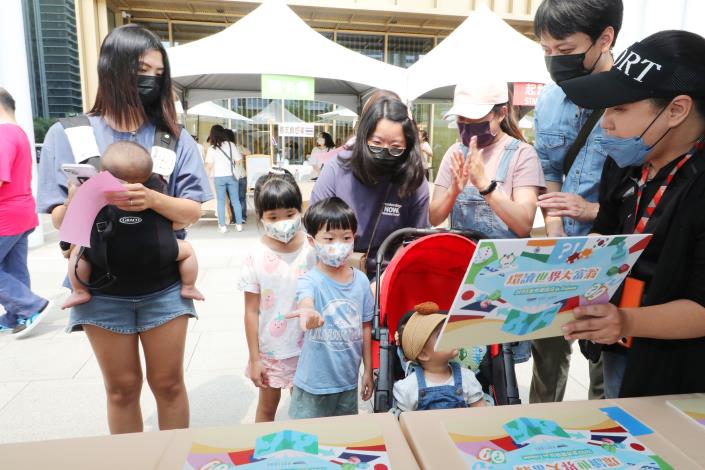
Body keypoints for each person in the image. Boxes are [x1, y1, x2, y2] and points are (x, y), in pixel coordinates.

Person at [37, 24, 211, 434]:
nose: (150, 78)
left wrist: (152, 200)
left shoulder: (174, 138)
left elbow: (190, 211)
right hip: (99, 287)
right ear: (112, 68)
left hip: (164, 285)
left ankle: (172, 461)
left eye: (157, 71)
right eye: (140, 68)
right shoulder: (69, 133)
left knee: (169, 384)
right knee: (121, 389)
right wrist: (85, 198)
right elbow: (59, 218)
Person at [559, 30, 705, 397]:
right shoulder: (627, 161)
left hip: (680, 371)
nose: (605, 123)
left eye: (619, 109)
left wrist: (626, 320)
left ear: (676, 110)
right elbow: (605, 230)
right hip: (618, 346)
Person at [530, 0, 623, 403]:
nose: (554, 61)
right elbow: (549, 168)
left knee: (607, 363)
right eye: (546, 51)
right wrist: (554, 231)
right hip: (559, 252)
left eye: (564, 51)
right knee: (547, 357)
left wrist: (593, 213)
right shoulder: (550, 100)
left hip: (615, 251)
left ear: (605, 38)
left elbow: (648, 188)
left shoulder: (634, 100)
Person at [429, 79, 545, 365]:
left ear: (501, 114)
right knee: (458, 364)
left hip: (504, 284)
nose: (468, 128)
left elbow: (523, 222)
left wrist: (485, 186)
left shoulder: (522, 154)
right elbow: (434, 217)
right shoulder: (454, 153)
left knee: (499, 368)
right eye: (462, 120)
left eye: (477, 120)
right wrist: (455, 190)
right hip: (459, 279)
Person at [62, 141, 204, 309]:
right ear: (150, 174)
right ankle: (189, 286)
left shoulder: (94, 195)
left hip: (105, 253)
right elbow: (178, 224)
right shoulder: (153, 193)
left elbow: (76, 224)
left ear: (102, 173)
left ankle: (79, 290)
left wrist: (72, 203)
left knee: (78, 252)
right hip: (155, 249)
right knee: (187, 250)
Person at [310, 97, 429, 278]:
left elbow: (414, 241)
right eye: (376, 143)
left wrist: (383, 282)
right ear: (364, 136)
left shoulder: (414, 178)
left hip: (393, 271)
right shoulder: (338, 168)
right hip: (338, 267)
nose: (384, 151)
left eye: (396, 147)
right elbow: (316, 228)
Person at [239, 168, 315, 422]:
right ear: (260, 217)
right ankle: (261, 458)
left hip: (308, 347)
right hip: (272, 350)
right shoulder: (254, 255)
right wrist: (254, 357)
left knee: (306, 411)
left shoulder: (313, 247)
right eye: (273, 216)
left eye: (290, 214)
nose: (283, 222)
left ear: (299, 211)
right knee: (267, 409)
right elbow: (251, 310)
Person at [289, 197, 374, 419]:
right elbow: (305, 302)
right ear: (312, 241)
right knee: (307, 443)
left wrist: (368, 371)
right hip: (313, 385)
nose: (338, 244)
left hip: (347, 384)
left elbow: (366, 328)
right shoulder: (310, 280)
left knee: (342, 443)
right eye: (328, 238)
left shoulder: (362, 282)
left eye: (346, 237)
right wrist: (308, 313)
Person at [0, 87, 49, 337]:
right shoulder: (18, 133)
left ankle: (31, 305)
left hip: (4, 215)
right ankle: (17, 316)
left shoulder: (2, 135)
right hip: (21, 212)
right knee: (13, 267)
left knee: (11, 268)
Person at [393, 302, 485, 412]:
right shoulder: (409, 387)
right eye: (440, 335)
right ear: (423, 354)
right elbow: (405, 421)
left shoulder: (467, 377)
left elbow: (480, 412)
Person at [205, 124, 244, 233]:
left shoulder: (211, 149)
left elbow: (208, 165)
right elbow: (238, 160)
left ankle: (222, 226)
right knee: (235, 200)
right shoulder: (231, 145)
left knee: (221, 202)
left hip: (218, 178)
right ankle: (239, 225)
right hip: (231, 176)